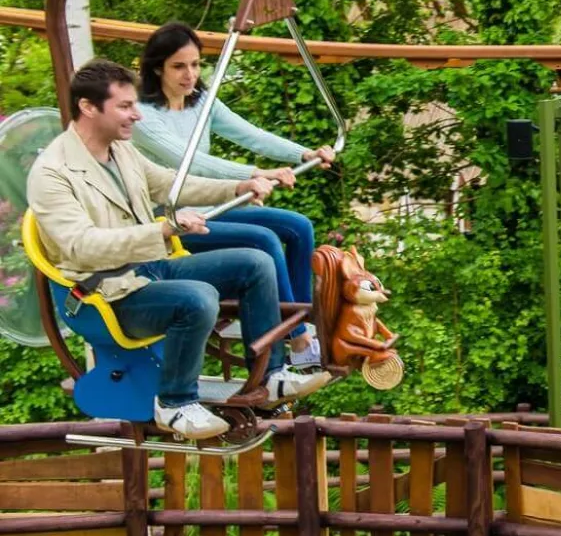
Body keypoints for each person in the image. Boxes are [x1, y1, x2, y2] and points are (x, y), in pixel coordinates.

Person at [26, 61, 330, 440]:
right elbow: (82, 247)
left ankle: (271, 377)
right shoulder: (52, 173)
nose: (136, 115)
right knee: (197, 297)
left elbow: (168, 183)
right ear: (89, 107)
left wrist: (239, 187)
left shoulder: (121, 152)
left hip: (149, 270)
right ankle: (174, 402)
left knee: (255, 262)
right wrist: (163, 230)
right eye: (124, 106)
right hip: (103, 294)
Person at [131, 22, 334, 366]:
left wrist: (304, 153)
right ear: (157, 68)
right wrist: (253, 174)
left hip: (211, 209)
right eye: (179, 66)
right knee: (264, 241)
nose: (189, 75)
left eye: (195, 64)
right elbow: (190, 160)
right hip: (173, 222)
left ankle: (304, 325)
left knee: (299, 226)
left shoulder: (201, 103)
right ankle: (296, 342)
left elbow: (250, 135)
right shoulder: (144, 117)